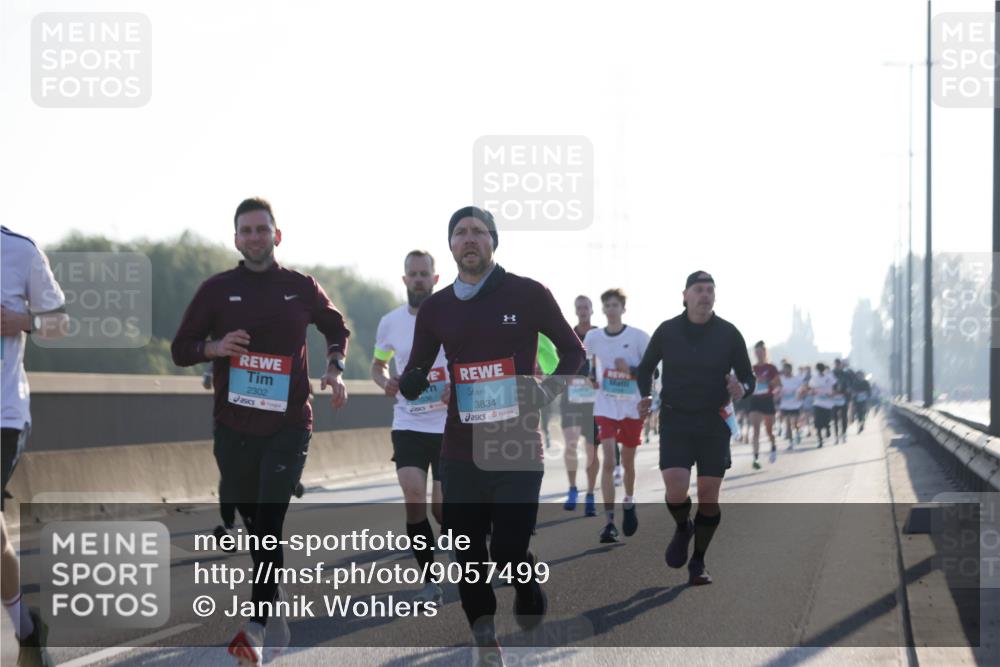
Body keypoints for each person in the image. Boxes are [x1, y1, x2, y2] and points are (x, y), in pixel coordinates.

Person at [399, 206, 585, 663]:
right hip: (461, 448)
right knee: (468, 557)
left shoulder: (527, 293)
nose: (469, 239)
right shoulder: (437, 307)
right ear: (451, 245)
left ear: (493, 241)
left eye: (478, 231)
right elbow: (417, 366)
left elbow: (572, 353)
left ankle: (523, 575)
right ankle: (486, 641)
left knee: (506, 548)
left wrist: (547, 391)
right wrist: (412, 380)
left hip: (517, 443)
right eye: (460, 232)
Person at [171, 198, 351, 666]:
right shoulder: (217, 290)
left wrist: (335, 367)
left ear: (277, 235)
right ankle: (275, 616)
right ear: (236, 239)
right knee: (255, 527)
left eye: (262, 229)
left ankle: (255, 626)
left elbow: (336, 328)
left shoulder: (301, 287)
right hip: (233, 426)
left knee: (270, 522)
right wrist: (215, 346)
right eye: (246, 230)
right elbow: (180, 349)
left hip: (289, 422)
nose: (254, 237)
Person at [637, 271, 755, 586]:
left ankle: (698, 561)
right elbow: (646, 367)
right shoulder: (667, 331)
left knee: (708, 495)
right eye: (699, 290)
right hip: (676, 418)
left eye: (710, 290)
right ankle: (682, 526)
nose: (705, 295)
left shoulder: (729, 334)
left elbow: (748, 376)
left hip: (713, 421)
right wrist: (646, 395)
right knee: (675, 488)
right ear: (685, 295)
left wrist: (741, 387)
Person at [1, 225, 67, 667]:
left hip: (3, 414)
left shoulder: (19, 251)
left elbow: (60, 323)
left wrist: (24, 321)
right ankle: (24, 624)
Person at [372, 250, 449, 605]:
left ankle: (468, 546)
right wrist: (384, 381)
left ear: (435, 278)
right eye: (412, 274)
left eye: (424, 273)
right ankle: (430, 581)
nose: (418, 279)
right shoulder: (390, 322)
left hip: (449, 424)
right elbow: (379, 365)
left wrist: (455, 386)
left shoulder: (453, 317)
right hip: (408, 422)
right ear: (404, 280)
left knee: (442, 508)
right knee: (414, 496)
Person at [583, 288, 650, 543]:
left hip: (631, 407)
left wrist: (632, 369)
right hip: (605, 406)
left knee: (629, 462)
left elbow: (652, 370)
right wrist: (589, 377)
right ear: (603, 310)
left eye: (615, 305)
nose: (611, 309)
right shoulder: (593, 337)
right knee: (609, 460)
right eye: (607, 305)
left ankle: (629, 501)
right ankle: (609, 522)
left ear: (623, 308)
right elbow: (585, 362)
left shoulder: (638, 337)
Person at [560, 296, 598, 515]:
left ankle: (591, 494)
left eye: (586, 307)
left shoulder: (599, 335)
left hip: (594, 400)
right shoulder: (568, 335)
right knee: (571, 443)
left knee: (591, 449)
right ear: (575, 311)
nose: (583, 311)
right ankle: (573, 488)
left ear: (592, 310)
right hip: (571, 397)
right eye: (579, 308)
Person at [748, 341, 781, 469]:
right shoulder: (752, 368)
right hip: (755, 401)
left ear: (765, 352)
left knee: (769, 431)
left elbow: (778, 384)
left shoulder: (771, 368)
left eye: (760, 352)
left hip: (767, 400)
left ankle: (773, 446)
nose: (758, 354)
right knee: (755, 430)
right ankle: (755, 457)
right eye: (756, 352)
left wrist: (767, 381)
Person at [808, 363, 836, 447]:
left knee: (826, 420)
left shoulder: (829, 377)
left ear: (824, 369)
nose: (820, 371)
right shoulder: (814, 378)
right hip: (817, 403)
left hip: (827, 404)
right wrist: (812, 392)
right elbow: (811, 388)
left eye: (821, 369)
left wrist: (832, 393)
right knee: (817, 423)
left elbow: (835, 386)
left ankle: (827, 428)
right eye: (818, 369)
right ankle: (820, 441)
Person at [777, 362, 805, 448]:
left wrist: (800, 394)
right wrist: (777, 394)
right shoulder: (780, 379)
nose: (785, 371)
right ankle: (791, 442)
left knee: (795, 423)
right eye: (784, 369)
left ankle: (798, 433)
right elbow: (777, 389)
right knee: (788, 423)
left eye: (787, 369)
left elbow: (803, 389)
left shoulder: (797, 379)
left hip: (795, 405)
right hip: (785, 405)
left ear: (790, 369)